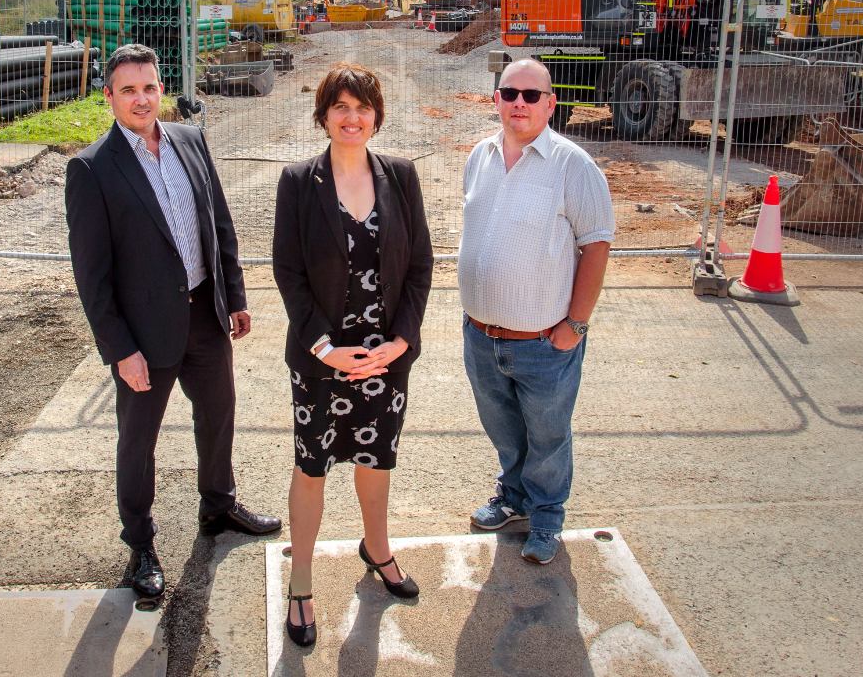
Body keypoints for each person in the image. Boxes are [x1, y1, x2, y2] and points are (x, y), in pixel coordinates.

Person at [65, 43, 280, 602]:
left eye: (150, 87)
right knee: (138, 442)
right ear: (108, 96)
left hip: (205, 314)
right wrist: (119, 349)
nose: (142, 99)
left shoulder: (189, 140)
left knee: (219, 413)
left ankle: (218, 506)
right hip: (143, 336)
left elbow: (219, 222)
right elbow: (93, 277)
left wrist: (234, 294)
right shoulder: (91, 169)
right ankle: (140, 544)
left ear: (162, 89)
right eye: (129, 90)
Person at [272, 63, 433, 647]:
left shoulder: (402, 176)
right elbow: (288, 273)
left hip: (384, 357)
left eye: (362, 107)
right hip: (322, 357)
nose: (352, 117)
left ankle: (379, 550)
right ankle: (303, 582)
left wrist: (401, 341)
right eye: (340, 107)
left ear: (376, 116)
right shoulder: (297, 181)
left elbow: (419, 267)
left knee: (376, 461)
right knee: (311, 467)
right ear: (323, 115)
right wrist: (323, 347)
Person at [458, 57, 614, 566]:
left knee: (547, 434)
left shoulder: (573, 165)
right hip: (482, 335)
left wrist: (575, 325)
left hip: (546, 341)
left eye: (531, 95)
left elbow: (596, 244)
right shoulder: (479, 155)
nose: (518, 103)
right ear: (496, 99)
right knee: (503, 427)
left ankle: (546, 517)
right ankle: (514, 498)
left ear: (551, 103)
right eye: (509, 93)